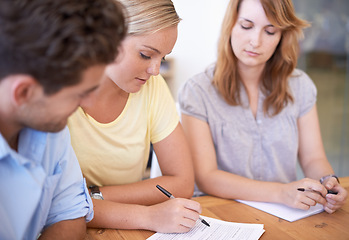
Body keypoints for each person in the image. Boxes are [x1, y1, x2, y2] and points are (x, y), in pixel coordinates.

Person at [179, 0, 347, 214]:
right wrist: (280, 192)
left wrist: (328, 182)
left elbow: (313, 158)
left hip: (285, 214)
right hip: (222, 212)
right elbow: (206, 177)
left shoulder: (300, 86)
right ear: (231, 24)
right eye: (246, 26)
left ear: (281, 37)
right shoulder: (198, 90)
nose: (255, 41)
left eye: (270, 31)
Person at [67, 0, 201, 233]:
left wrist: (93, 196)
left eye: (164, 58)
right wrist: (146, 215)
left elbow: (182, 182)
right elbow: (58, 208)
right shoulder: (56, 90)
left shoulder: (153, 87)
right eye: (145, 55)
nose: (156, 70)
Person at [0, 0, 126, 239]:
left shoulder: (49, 126)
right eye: (79, 94)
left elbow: (70, 214)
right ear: (24, 93)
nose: (88, 104)